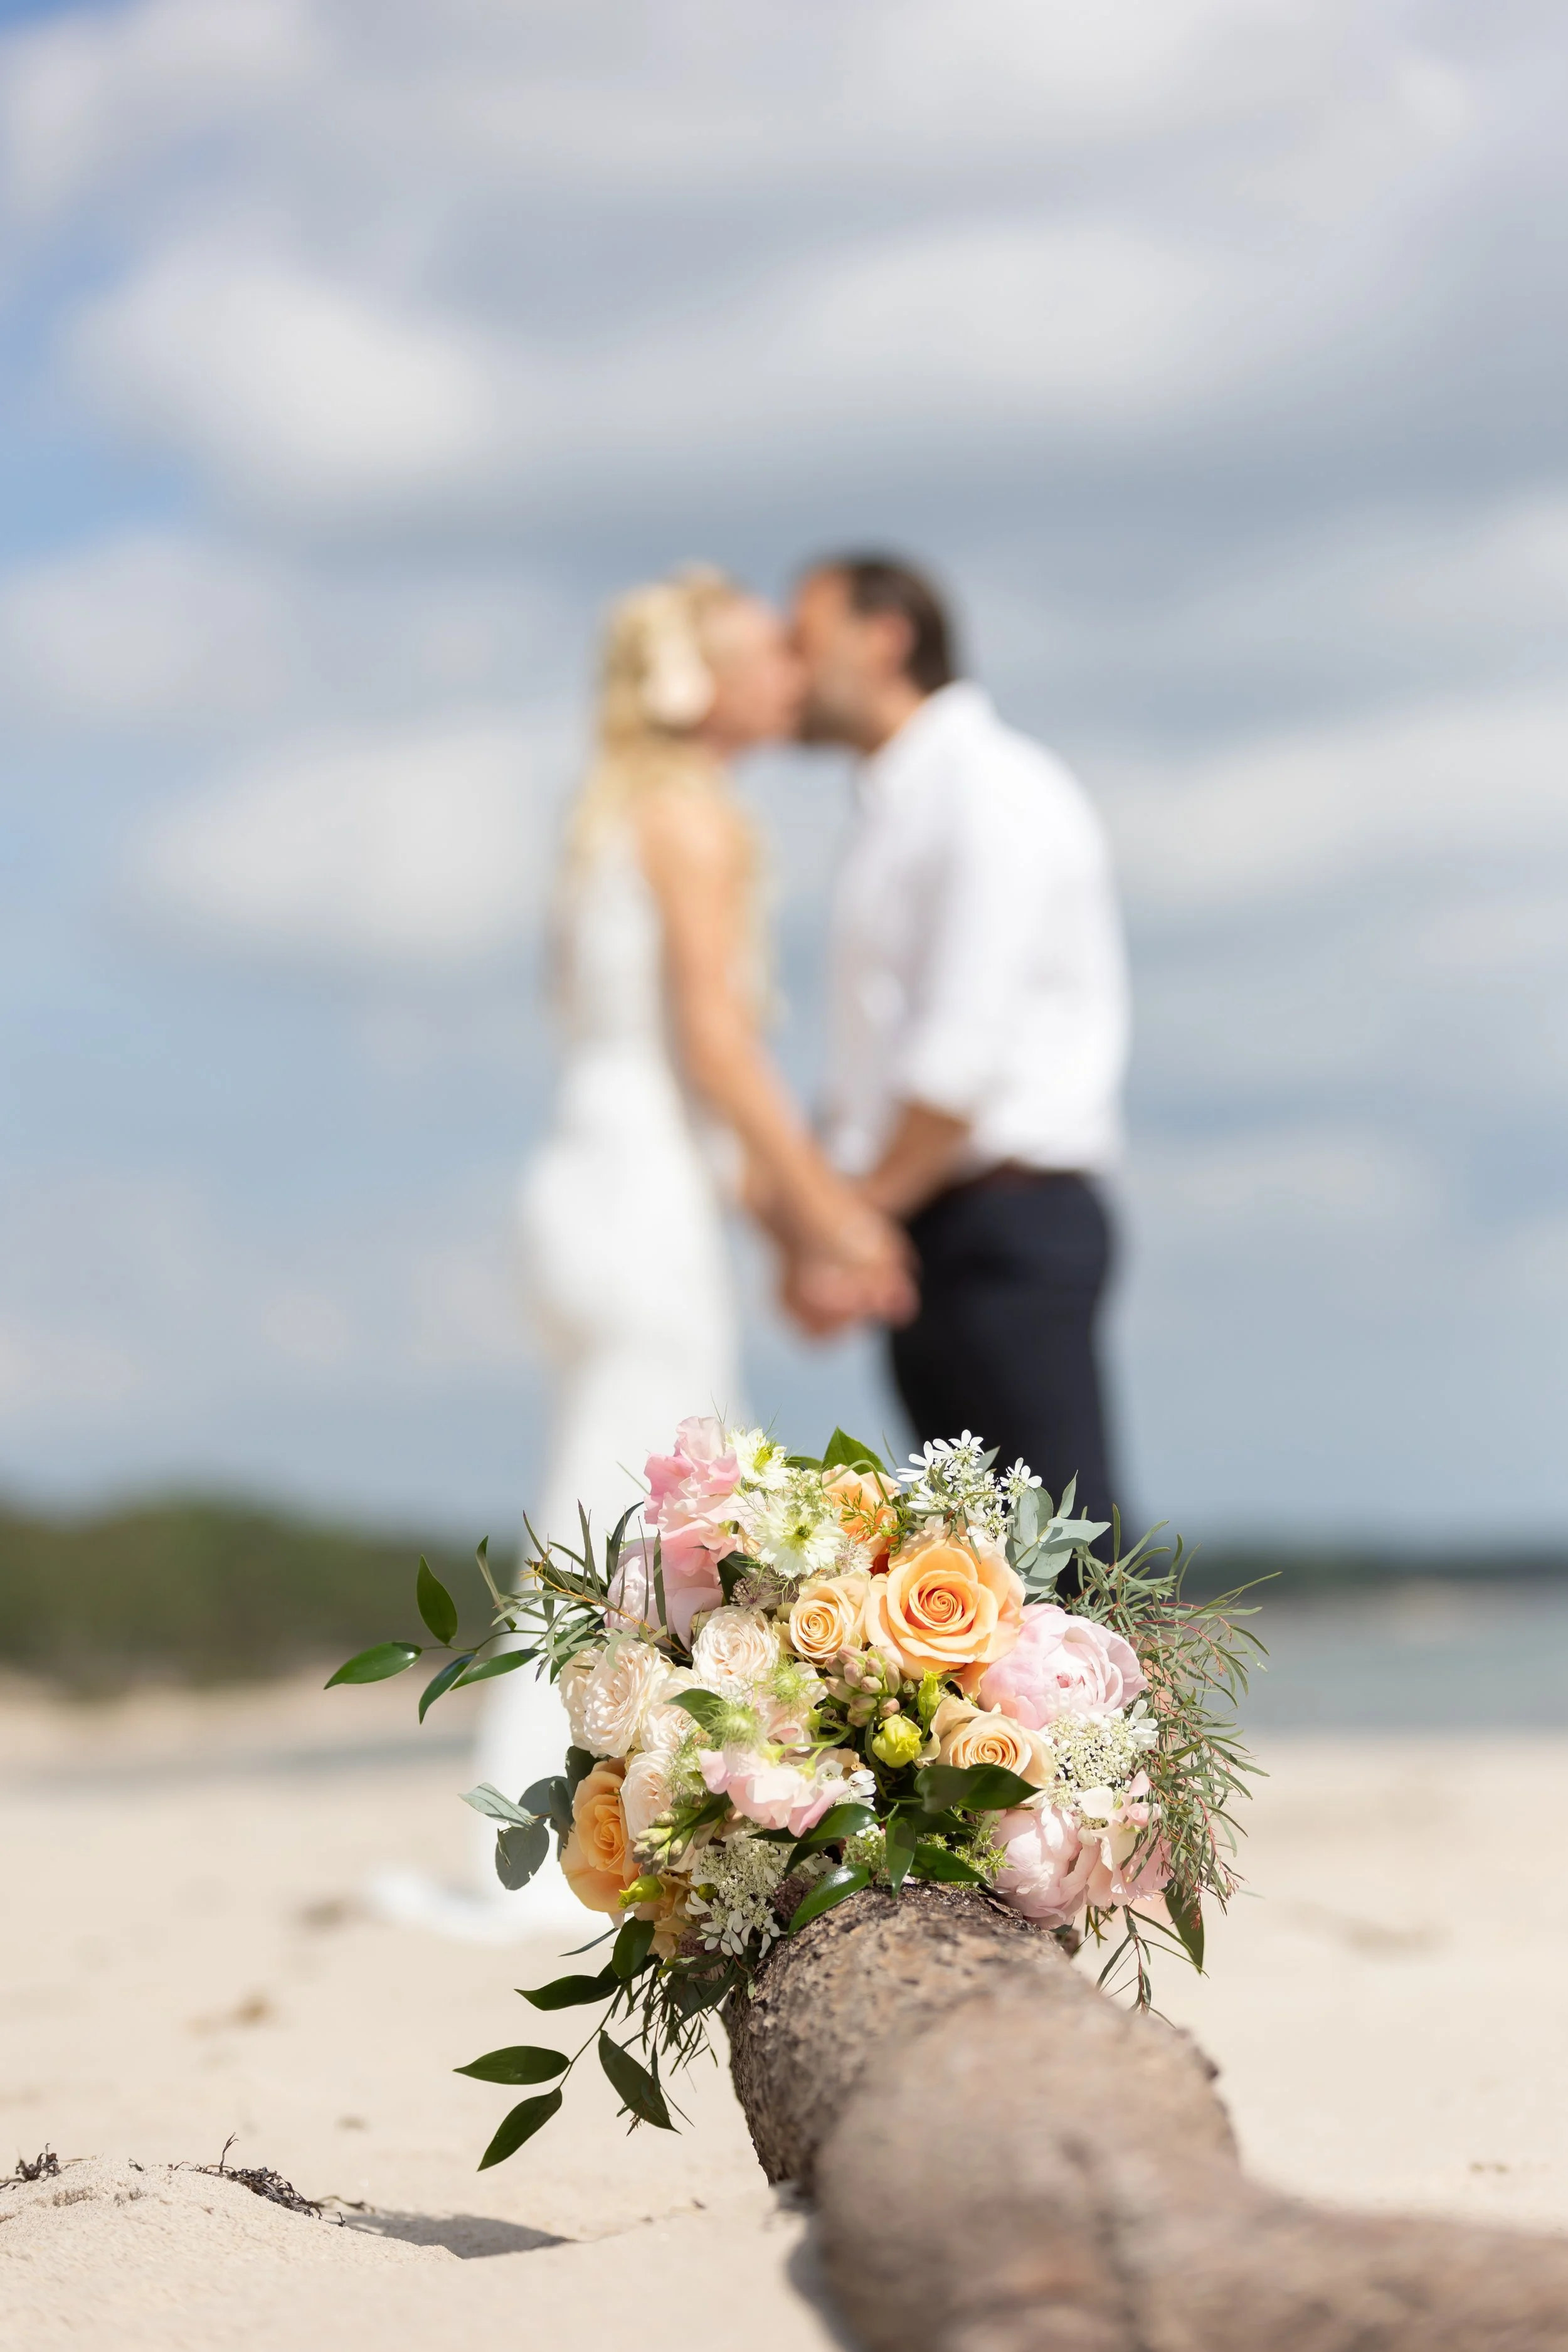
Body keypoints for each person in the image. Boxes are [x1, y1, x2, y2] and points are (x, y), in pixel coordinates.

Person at [374, 564, 912, 1942]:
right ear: (698, 682)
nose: (790, 676)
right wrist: (836, 1219)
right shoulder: (687, 813)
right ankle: (550, 1861)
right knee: (636, 1527)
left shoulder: (614, 811)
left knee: (615, 1517)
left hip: (588, 1178)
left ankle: (592, 1837)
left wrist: (790, 1223)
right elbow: (721, 1054)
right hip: (634, 1198)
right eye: (761, 656)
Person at [789, 554, 1130, 1537]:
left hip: (1004, 1227)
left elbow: (957, 1063)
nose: (794, 671)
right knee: (977, 1574)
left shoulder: (991, 793)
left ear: (885, 635)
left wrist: (844, 1227)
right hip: (939, 1227)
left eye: (807, 643)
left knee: (1072, 1561)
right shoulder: (901, 808)